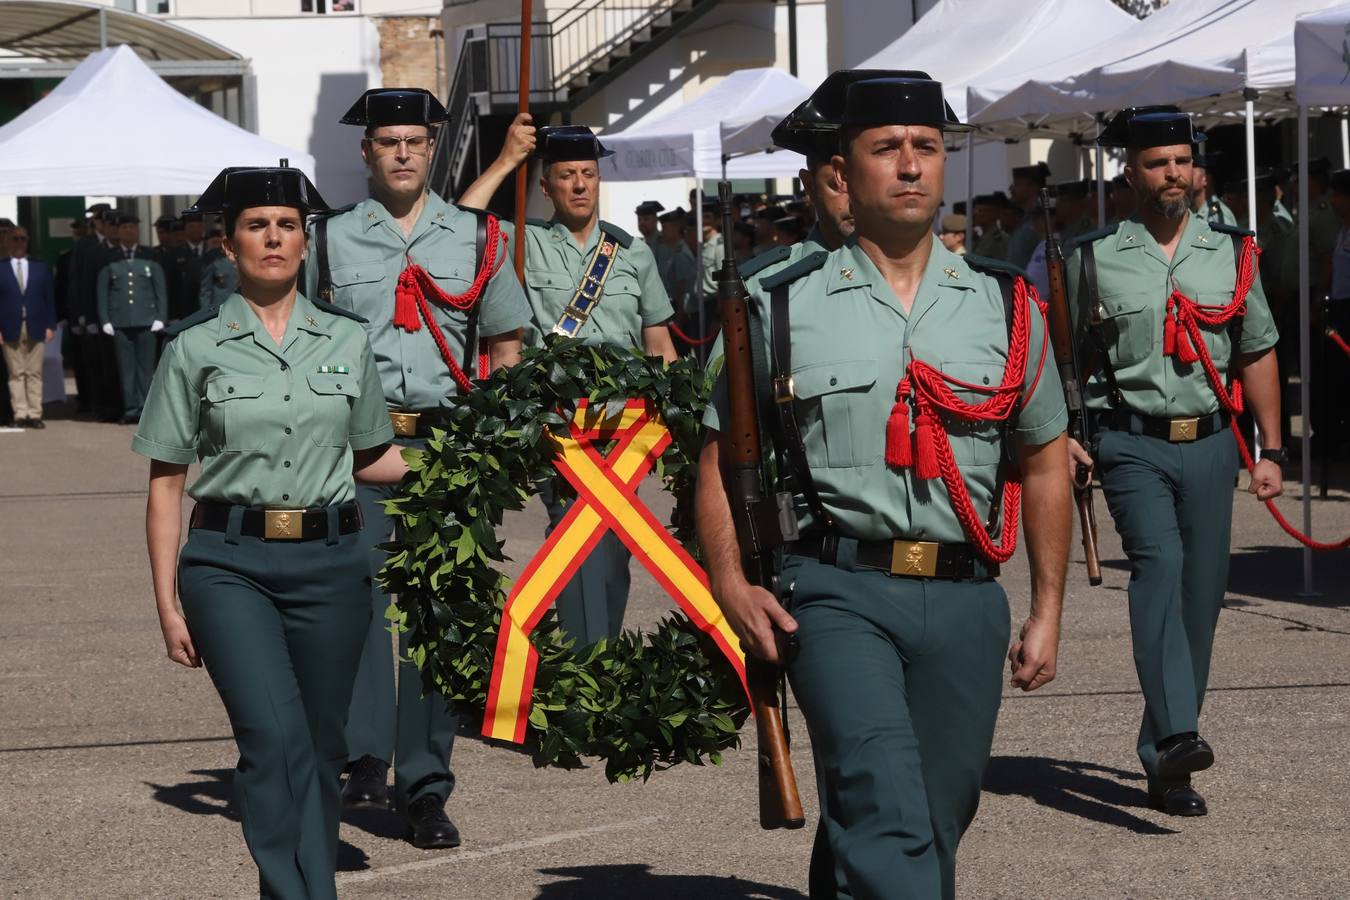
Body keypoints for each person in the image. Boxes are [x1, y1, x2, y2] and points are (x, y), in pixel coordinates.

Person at [697, 74, 1070, 900]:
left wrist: (1046, 610)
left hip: (968, 595)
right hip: (835, 589)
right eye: (887, 149)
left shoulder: (1009, 307)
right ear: (843, 172)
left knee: (933, 818)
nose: (910, 166)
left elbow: (1045, 459)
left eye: (927, 148)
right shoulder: (774, 305)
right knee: (883, 807)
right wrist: (729, 583)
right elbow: (721, 456)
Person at [134, 164, 407, 900]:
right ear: (229, 245)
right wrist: (167, 605)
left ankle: (304, 887)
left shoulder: (347, 342)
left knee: (320, 751)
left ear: (305, 239)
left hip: (332, 563)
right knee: (269, 740)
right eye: (257, 225)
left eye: (287, 225)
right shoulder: (193, 349)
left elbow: (375, 455)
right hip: (230, 566)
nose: (274, 238)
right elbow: (166, 487)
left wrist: (477, 454)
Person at [306, 87, 529, 848]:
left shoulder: (478, 235)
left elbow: (505, 343)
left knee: (440, 615)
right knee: (358, 604)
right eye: (388, 141)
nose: (402, 152)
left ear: (434, 150)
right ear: (366, 152)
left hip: (448, 447)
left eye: (415, 141)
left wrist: (489, 443)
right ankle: (364, 754)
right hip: (356, 448)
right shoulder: (328, 240)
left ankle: (426, 784)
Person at [1066, 108, 1283, 818]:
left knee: (1201, 596)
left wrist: (1272, 449)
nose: (1173, 175)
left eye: (1182, 162)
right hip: (1130, 442)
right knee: (1157, 565)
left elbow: (1256, 350)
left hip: (1215, 441)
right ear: (1129, 172)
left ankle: (1165, 757)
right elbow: (1064, 360)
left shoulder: (1234, 252)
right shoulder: (1090, 258)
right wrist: (1066, 437)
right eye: (1157, 163)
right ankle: (1181, 733)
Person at [459, 122, 676, 648]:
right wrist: (507, 160)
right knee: (578, 542)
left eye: (588, 175)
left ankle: (594, 659)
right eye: (566, 176)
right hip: (559, 431)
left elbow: (660, 347)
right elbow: (460, 225)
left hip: (627, 434)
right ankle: (589, 665)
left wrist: (678, 424)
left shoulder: (634, 253)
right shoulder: (521, 242)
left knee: (614, 550)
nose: (579, 185)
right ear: (546, 186)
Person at [97, 213, 167, 424]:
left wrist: (160, 316)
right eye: (125, 227)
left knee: (146, 369)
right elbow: (102, 290)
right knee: (126, 369)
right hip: (120, 321)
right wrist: (105, 319)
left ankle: (145, 409)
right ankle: (131, 408)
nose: (129, 230)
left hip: (147, 320)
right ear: (118, 231)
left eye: (132, 227)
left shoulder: (149, 255)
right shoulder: (110, 257)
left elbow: (159, 288)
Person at [1, 227, 57, 428]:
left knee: (34, 372)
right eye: (14, 239)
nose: (18, 243)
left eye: (22, 239)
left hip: (37, 325)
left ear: (27, 242)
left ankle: (35, 414)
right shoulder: (1, 268)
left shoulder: (39, 267)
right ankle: (20, 414)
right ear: (7, 242)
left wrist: (51, 325)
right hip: (9, 326)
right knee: (16, 372)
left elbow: (49, 298)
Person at [1006, 161, 1051, 267]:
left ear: (1033, 187)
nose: (1011, 189)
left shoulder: (1041, 221)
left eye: (1017, 184)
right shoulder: (1025, 220)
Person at [971, 192, 1009, 259]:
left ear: (994, 213)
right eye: (975, 211)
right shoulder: (979, 239)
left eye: (980, 211)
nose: (975, 215)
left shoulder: (999, 240)